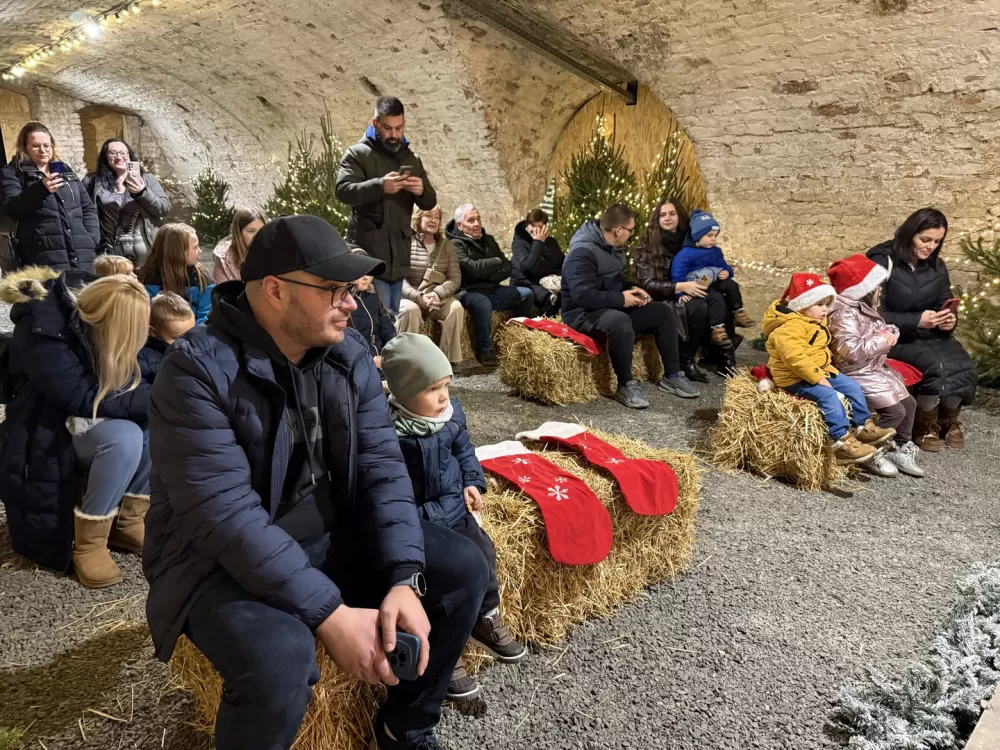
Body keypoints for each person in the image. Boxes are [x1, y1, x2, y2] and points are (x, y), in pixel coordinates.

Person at [143, 214, 487, 750]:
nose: (352, 303)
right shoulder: (194, 371)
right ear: (276, 291)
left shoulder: (348, 356)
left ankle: (406, 724)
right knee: (279, 661)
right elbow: (226, 518)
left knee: (464, 567)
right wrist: (329, 613)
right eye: (334, 290)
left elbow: (382, 469)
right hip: (214, 563)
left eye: (351, 289)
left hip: (328, 534)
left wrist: (403, 576)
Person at [381, 333, 526, 700]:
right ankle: (446, 650)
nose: (443, 396)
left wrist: (473, 481)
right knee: (430, 582)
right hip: (417, 519)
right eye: (432, 388)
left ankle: (486, 616)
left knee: (484, 552)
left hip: (451, 506)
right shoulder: (388, 430)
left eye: (446, 385)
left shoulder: (450, 414)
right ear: (404, 391)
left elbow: (465, 451)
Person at [0, 269, 151, 586]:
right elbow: (83, 398)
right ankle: (89, 545)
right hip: (45, 428)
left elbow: (142, 364)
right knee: (126, 438)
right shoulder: (44, 330)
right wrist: (162, 397)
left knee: (156, 422)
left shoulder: (96, 316)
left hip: (81, 413)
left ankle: (127, 521)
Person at [560, 203, 700, 409]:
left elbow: (611, 283)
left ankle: (672, 374)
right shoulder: (582, 252)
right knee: (620, 320)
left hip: (606, 304)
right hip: (581, 313)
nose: (631, 234)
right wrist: (621, 299)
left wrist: (632, 289)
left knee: (662, 311)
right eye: (630, 230)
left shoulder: (613, 248)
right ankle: (625, 384)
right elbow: (583, 296)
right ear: (618, 230)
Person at [867, 208, 977, 451]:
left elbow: (943, 302)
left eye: (937, 242)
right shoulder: (881, 261)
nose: (931, 247)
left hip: (931, 333)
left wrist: (949, 320)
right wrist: (916, 320)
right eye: (925, 240)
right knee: (936, 366)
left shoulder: (937, 267)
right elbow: (873, 313)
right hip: (893, 337)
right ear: (909, 234)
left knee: (964, 365)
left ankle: (947, 421)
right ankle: (923, 424)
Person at [762, 272, 896, 468]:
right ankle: (841, 441)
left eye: (827, 304)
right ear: (802, 305)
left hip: (820, 370)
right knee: (828, 397)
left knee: (852, 387)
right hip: (794, 377)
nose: (825, 310)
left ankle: (863, 426)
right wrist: (818, 379)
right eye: (819, 304)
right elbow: (795, 359)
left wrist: (827, 372)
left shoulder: (814, 321)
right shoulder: (789, 328)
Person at [336, 96, 437, 317]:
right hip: (369, 255)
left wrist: (421, 190)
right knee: (374, 322)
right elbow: (343, 190)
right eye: (388, 128)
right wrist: (380, 186)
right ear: (375, 124)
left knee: (391, 323)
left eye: (398, 128)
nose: (394, 134)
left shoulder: (410, 157)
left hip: (398, 256)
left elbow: (430, 201)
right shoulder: (357, 154)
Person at [827, 254, 925, 477]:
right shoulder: (844, 313)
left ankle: (900, 447)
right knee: (895, 411)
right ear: (863, 289)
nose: (880, 291)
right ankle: (870, 451)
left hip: (872, 368)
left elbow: (872, 332)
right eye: (877, 286)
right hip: (855, 372)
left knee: (909, 404)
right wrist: (883, 340)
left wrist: (888, 332)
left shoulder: (862, 308)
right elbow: (849, 351)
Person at [633, 198, 738, 381]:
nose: (667, 218)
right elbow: (648, 283)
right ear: (656, 219)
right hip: (667, 295)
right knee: (700, 307)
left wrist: (718, 275)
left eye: (671, 214)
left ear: (679, 216)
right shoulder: (648, 245)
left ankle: (723, 356)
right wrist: (680, 287)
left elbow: (711, 263)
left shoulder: (693, 238)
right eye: (662, 215)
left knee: (724, 294)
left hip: (695, 286)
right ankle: (687, 360)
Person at [0, 121, 100, 271]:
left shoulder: (65, 170)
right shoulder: (13, 172)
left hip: (82, 253)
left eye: (47, 145)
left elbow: (87, 208)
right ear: (24, 147)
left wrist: (91, 238)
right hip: (42, 256)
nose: (42, 150)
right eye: (35, 146)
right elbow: (12, 208)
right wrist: (40, 189)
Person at [448, 204, 532, 367]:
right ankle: (485, 349)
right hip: (468, 291)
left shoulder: (489, 240)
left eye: (478, 219)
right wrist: (495, 262)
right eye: (471, 220)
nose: (477, 223)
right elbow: (471, 270)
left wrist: (487, 273)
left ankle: (516, 340)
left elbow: (508, 267)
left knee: (526, 294)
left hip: (493, 289)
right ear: (460, 225)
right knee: (482, 303)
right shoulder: (455, 244)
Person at [396, 207, 467, 367]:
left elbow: (455, 278)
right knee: (409, 310)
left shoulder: (447, 246)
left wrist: (437, 294)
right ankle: (408, 360)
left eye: (437, 217)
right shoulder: (405, 243)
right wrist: (418, 297)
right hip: (410, 296)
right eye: (429, 216)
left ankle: (446, 360)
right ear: (417, 218)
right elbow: (399, 278)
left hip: (437, 297)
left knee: (456, 308)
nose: (434, 220)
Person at [670, 210, 753, 346]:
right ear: (697, 236)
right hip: (699, 282)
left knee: (731, 285)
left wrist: (727, 271)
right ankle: (717, 329)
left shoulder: (715, 251)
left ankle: (738, 312)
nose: (713, 239)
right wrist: (679, 292)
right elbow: (677, 275)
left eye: (715, 236)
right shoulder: (685, 254)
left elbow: (723, 265)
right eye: (709, 235)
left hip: (713, 278)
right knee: (716, 298)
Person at [83, 138, 171, 265]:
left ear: (130, 155)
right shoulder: (92, 182)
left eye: (123, 153)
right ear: (105, 157)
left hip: (146, 250)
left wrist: (143, 192)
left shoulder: (147, 179)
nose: (119, 157)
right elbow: (84, 212)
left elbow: (164, 209)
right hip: (111, 253)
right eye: (113, 153)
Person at [136, 223, 214, 323]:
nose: (200, 251)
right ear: (178, 252)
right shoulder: (146, 278)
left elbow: (206, 316)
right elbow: (147, 318)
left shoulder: (201, 277)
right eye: (195, 247)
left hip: (193, 335)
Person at [510, 208, 564, 317]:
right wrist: (538, 243)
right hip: (526, 281)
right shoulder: (519, 242)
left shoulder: (552, 242)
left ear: (545, 227)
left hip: (546, 281)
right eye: (533, 226)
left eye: (539, 227)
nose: (535, 230)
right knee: (550, 299)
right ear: (527, 225)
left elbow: (560, 263)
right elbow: (527, 268)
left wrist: (556, 275)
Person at [139, 292, 196, 386]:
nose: (186, 342)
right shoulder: (144, 358)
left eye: (191, 334)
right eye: (177, 338)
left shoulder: (195, 348)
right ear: (152, 331)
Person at [349, 273, 396, 370]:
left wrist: (397, 349)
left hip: (381, 356)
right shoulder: (344, 303)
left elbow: (388, 331)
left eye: (369, 273)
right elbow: (346, 343)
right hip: (359, 361)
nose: (366, 278)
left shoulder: (373, 299)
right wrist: (373, 359)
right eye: (360, 273)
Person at [212, 207, 266, 283]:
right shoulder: (224, 258)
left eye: (261, 230)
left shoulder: (271, 252)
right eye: (251, 231)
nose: (257, 235)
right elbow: (221, 292)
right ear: (239, 233)